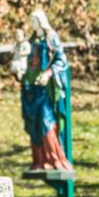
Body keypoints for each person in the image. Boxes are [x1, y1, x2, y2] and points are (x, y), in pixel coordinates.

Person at [18, 9, 73, 171]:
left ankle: (55, 159)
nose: (31, 24)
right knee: (33, 123)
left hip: (45, 90)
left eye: (33, 21)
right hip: (31, 87)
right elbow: (25, 60)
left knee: (46, 122)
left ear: (41, 21)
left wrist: (48, 73)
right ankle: (40, 161)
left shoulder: (51, 38)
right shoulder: (32, 40)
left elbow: (60, 60)